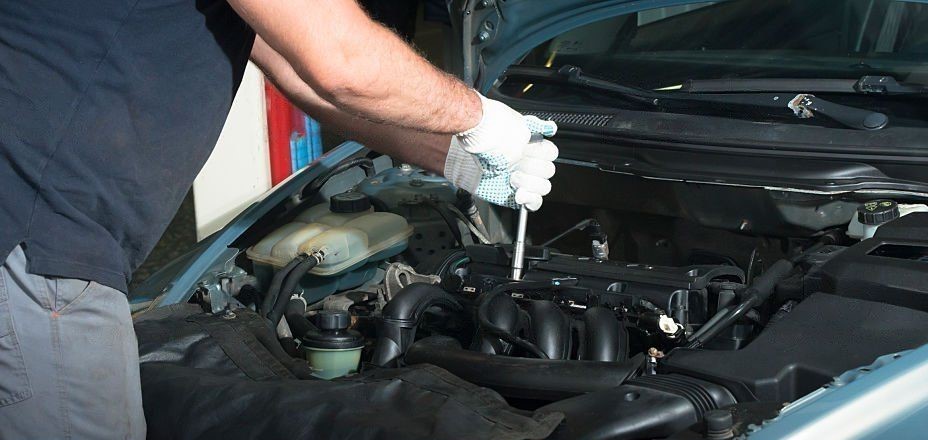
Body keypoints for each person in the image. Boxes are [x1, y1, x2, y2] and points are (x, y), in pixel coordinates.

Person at [0, 0, 558, 438]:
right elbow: (342, 59)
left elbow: (300, 71)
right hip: (33, 243)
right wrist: (482, 119)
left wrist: (458, 160)